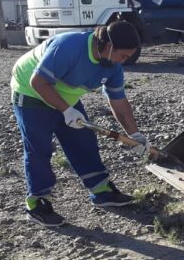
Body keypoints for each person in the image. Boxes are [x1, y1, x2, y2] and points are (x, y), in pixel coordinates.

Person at [10, 21, 151, 228]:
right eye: (123, 55)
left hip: (66, 95)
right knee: (39, 148)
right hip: (31, 92)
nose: (125, 61)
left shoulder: (113, 66)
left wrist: (134, 134)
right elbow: (38, 82)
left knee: (82, 140)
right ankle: (37, 203)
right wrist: (66, 111)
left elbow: (119, 102)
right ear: (109, 45)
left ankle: (100, 190)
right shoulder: (69, 46)